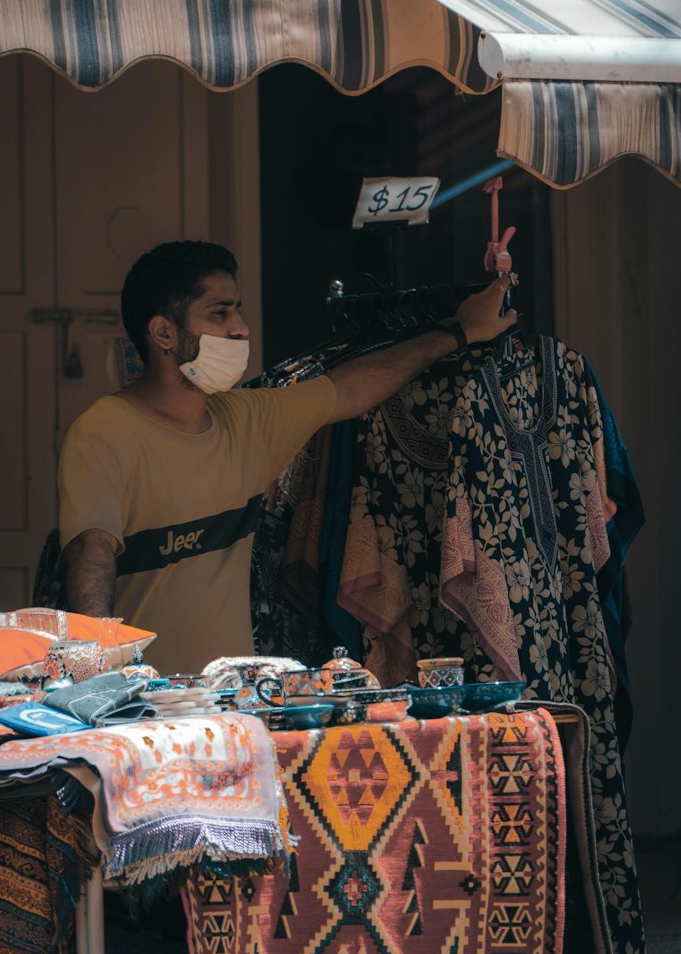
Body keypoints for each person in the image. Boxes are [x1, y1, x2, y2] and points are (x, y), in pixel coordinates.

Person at [59, 240, 516, 676]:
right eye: (220, 313)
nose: (240, 327)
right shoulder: (103, 432)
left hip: (233, 704)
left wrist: (458, 332)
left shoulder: (245, 419)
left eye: (237, 309)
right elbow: (90, 552)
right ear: (163, 332)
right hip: (145, 709)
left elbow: (349, 388)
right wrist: (102, 686)